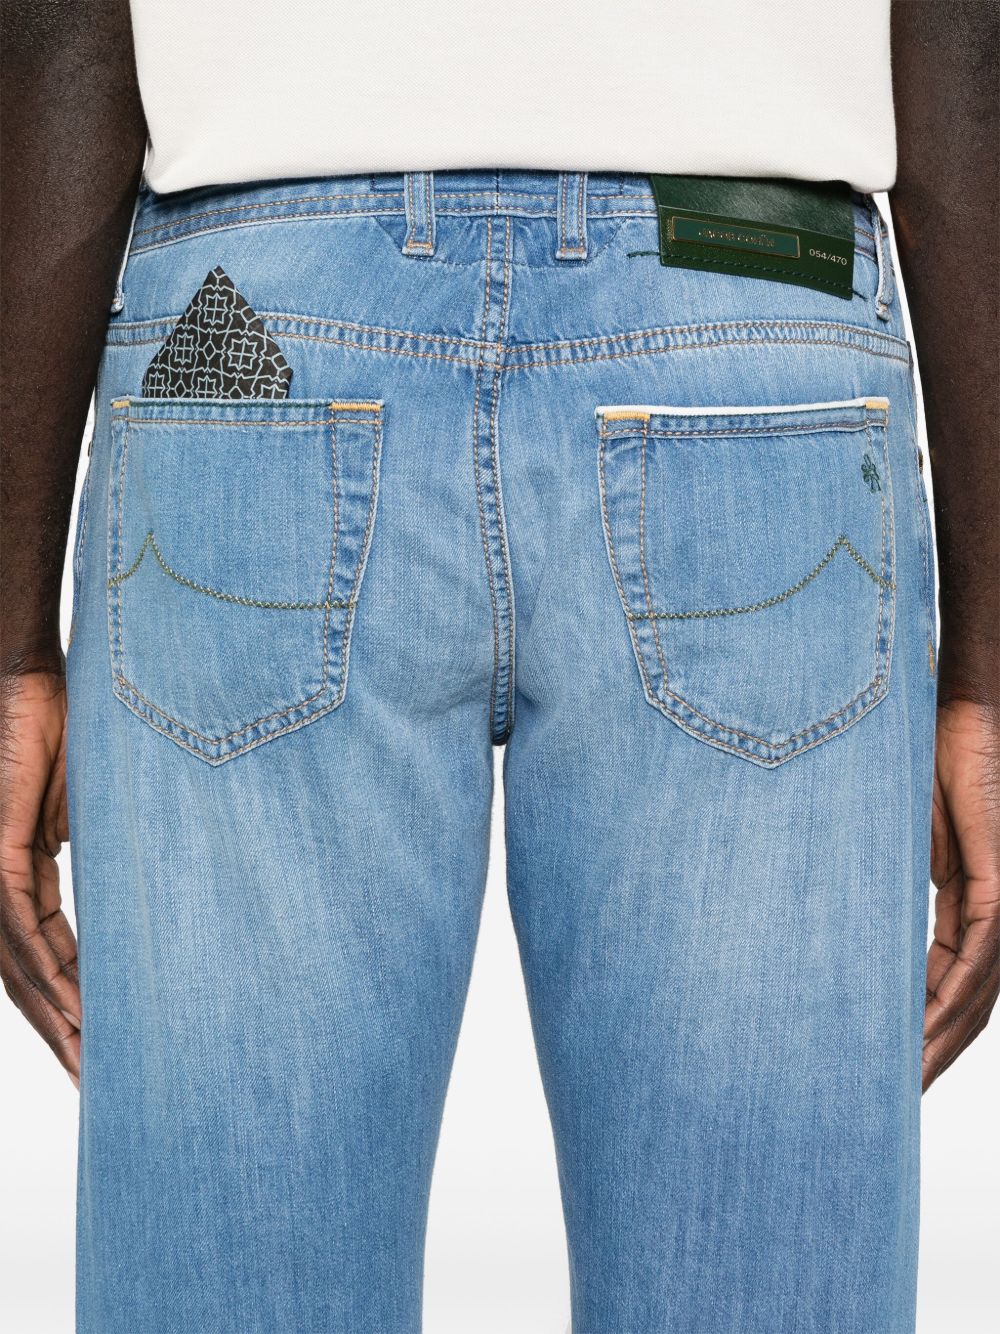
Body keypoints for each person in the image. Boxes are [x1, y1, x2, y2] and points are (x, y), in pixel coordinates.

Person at [1, 2, 997, 1330]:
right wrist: (987, 669)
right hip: (751, 322)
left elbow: (59, 27)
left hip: (257, 323)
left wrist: (12, 642)